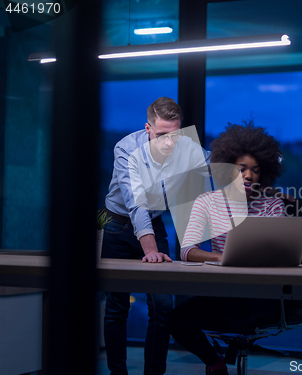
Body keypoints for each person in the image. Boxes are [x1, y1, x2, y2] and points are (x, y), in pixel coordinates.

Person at [101, 97, 209, 375]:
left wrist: (267, 189)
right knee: (117, 306)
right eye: (162, 135)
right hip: (116, 223)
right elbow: (136, 200)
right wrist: (148, 247)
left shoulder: (185, 148)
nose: (169, 143)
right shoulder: (126, 148)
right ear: (147, 128)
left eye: (175, 134)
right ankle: (118, 373)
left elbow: (219, 165)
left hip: (155, 223)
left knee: (162, 307)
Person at [167, 123, 286, 375]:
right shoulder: (207, 202)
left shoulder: (272, 204)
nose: (248, 175)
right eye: (241, 169)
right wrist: (221, 257)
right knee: (176, 320)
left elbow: (281, 250)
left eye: (255, 170)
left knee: (237, 311)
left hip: (260, 298)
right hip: (222, 294)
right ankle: (215, 361)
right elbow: (187, 250)